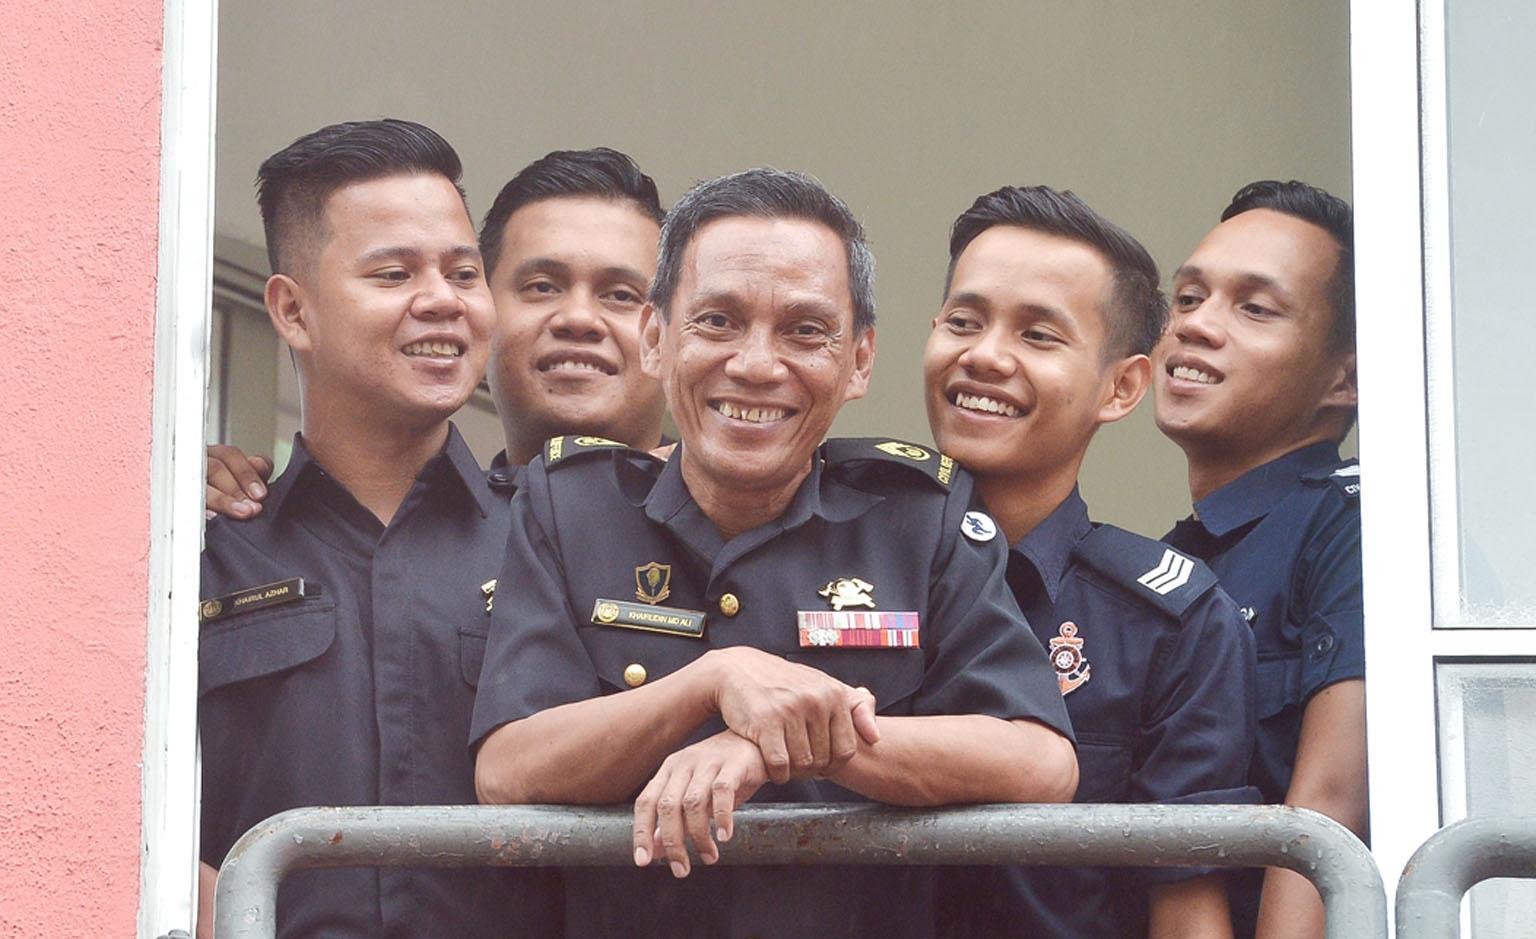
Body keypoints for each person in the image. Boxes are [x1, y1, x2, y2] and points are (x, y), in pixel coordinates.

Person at [470, 168, 1077, 937]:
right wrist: (714, 680)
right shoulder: (569, 502)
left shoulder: (918, 517)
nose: (757, 364)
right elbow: (508, 767)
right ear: (657, 339)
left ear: (859, 361)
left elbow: (1039, 760)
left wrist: (786, 745)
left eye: (804, 330)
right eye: (718, 321)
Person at [196, 119, 556, 937]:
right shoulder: (203, 550)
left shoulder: (552, 540)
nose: (442, 299)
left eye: (464, 273)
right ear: (293, 310)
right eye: (393, 272)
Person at [924, 186, 1257, 937]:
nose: (984, 355)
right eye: (964, 321)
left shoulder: (1171, 620)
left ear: (1122, 386)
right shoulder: (834, 556)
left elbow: (1186, 902)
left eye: (1038, 335)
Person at [204, 146, 670, 515]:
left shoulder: (727, 526)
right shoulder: (227, 527)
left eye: (622, 295)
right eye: (542, 286)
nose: (578, 318)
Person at [1153, 180, 1365, 938]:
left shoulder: (1358, 524)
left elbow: (1329, 811)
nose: (1196, 325)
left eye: (1254, 308)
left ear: (1345, 376)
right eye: (1187, 297)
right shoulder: (1167, 560)